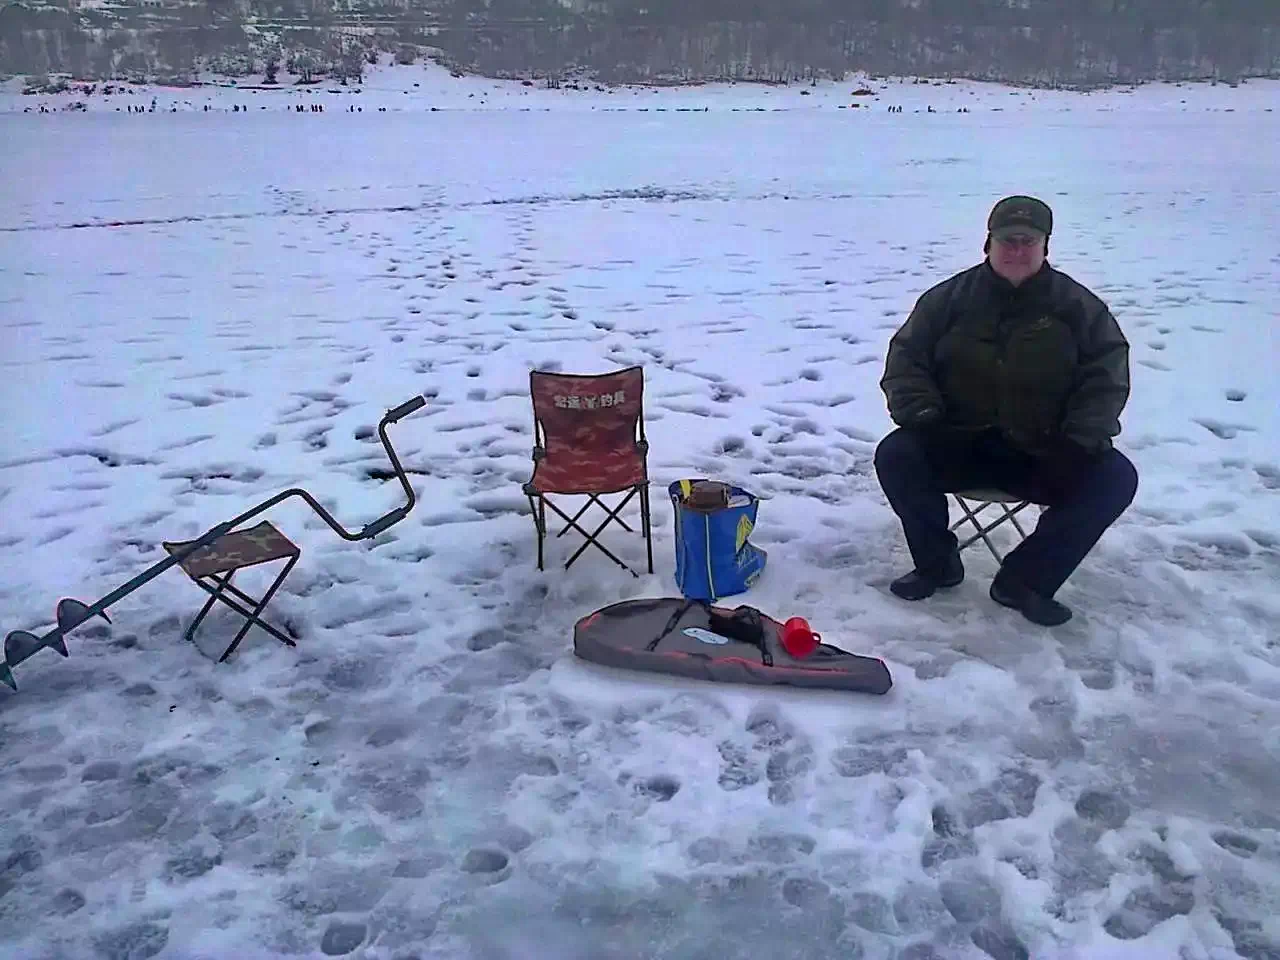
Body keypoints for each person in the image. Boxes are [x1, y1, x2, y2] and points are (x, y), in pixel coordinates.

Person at [873, 195, 1138, 626]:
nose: (1017, 250)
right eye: (1007, 240)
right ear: (988, 243)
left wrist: (1077, 442)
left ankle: (1025, 581)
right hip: (957, 443)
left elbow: (1105, 382)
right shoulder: (946, 300)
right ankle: (936, 564)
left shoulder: (1080, 308)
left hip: (1045, 452)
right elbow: (905, 363)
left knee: (1115, 478)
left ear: (1045, 245)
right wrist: (926, 420)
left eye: (1028, 241)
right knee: (896, 454)